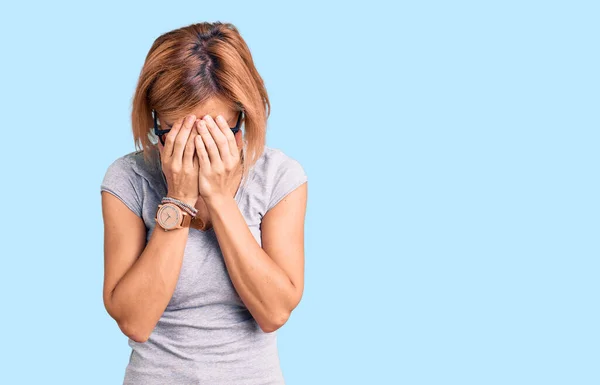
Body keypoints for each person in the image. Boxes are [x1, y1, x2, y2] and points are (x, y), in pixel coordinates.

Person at [99, 21, 308, 384]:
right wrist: (178, 199)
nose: (197, 152)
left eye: (214, 135)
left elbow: (274, 312)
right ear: (156, 123)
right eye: (179, 135)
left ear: (242, 121)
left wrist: (219, 198)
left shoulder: (279, 177)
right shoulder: (128, 178)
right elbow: (134, 321)